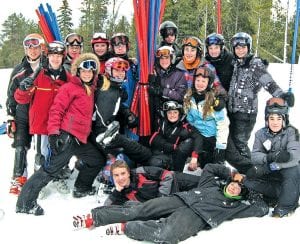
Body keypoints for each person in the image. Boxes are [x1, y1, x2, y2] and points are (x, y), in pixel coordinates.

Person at [72, 163, 269, 244]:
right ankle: (94, 218)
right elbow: (209, 167)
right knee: (142, 209)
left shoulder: (233, 206)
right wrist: (233, 175)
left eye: (238, 191)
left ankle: (126, 228)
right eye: (234, 186)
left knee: (168, 233)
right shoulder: (211, 184)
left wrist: (250, 187)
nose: (235, 189)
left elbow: (261, 208)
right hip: (181, 199)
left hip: (197, 216)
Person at [15, 53, 106, 215]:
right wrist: (54, 134)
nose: (87, 74)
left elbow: (102, 84)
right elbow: (56, 110)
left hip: (80, 139)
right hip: (66, 137)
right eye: (83, 71)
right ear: (77, 72)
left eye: (90, 72)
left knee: (97, 159)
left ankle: (82, 187)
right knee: (49, 170)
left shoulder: (89, 88)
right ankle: (25, 203)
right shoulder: (69, 88)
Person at [14, 40, 72, 194]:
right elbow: (21, 99)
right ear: (48, 56)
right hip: (41, 123)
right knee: (41, 154)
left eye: (59, 56)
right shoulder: (38, 74)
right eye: (53, 56)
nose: (55, 59)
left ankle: (59, 178)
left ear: (63, 57)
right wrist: (22, 88)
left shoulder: (68, 77)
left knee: (60, 151)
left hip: (60, 124)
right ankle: (37, 184)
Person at [227, 32, 294, 160]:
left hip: (246, 112)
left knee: (240, 143)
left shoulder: (254, 64)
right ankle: (245, 168)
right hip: (234, 110)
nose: (240, 50)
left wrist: (282, 95)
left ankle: (251, 169)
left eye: (243, 47)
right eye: (237, 48)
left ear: (248, 47)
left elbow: (268, 82)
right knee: (234, 143)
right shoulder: (237, 63)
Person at [6, 33, 47, 195]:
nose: (33, 51)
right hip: (23, 113)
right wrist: (11, 118)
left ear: (41, 48)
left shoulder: (47, 66)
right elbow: (10, 95)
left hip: (41, 112)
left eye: (36, 47)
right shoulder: (19, 70)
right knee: (20, 144)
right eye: (29, 48)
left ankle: (39, 178)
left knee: (41, 148)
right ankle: (19, 177)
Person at [245, 97, 300, 217]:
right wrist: (270, 158)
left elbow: (295, 157)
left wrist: (275, 165)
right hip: (271, 172)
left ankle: (286, 206)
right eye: (271, 118)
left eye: (279, 118)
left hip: (288, 171)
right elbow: (254, 156)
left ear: (284, 119)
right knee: (248, 177)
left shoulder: (292, 132)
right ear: (267, 120)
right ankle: (275, 194)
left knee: (294, 169)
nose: (275, 122)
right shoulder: (260, 134)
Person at [184, 66, 230, 170]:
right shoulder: (189, 97)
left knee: (213, 165)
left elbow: (222, 125)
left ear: (209, 83)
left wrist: (220, 147)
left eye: (203, 81)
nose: (200, 84)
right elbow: (189, 118)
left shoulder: (214, 100)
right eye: (198, 80)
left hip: (212, 137)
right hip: (198, 135)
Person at [103, 159, 200, 205]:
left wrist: (160, 199)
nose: (120, 178)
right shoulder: (122, 194)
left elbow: (167, 175)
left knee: (206, 183)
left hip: (177, 181)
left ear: (128, 173)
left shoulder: (140, 172)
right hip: (174, 199)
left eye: (123, 173)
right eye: (116, 175)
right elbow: (105, 208)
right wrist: (117, 191)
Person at [148, 100, 202, 172]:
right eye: (169, 112)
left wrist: (194, 157)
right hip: (161, 154)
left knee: (189, 141)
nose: (172, 115)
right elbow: (153, 139)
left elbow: (198, 137)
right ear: (165, 114)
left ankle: (178, 171)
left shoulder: (185, 126)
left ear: (179, 113)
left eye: (175, 112)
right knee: (153, 163)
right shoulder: (160, 123)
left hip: (176, 156)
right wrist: (172, 146)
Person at [148, 45, 186, 131]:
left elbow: (180, 96)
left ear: (171, 59)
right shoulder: (154, 72)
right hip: (156, 111)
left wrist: (162, 91)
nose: (164, 61)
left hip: (172, 112)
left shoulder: (178, 74)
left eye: (166, 58)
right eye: (161, 58)